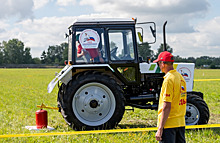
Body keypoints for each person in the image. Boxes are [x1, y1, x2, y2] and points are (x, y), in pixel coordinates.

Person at [154, 51, 187, 143]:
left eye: (158, 63)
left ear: (163, 64)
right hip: (180, 123)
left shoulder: (168, 80)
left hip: (169, 124)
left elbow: (166, 105)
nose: (159, 66)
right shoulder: (180, 77)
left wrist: (160, 129)